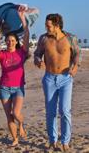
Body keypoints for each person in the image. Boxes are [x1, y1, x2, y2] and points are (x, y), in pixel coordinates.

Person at [34, 13, 79, 151]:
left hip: (66, 79)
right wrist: (37, 61)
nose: (46, 28)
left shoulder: (70, 38)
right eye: (46, 25)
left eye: (48, 25)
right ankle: (53, 140)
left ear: (57, 25)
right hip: (49, 78)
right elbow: (37, 54)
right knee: (51, 112)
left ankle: (65, 141)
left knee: (65, 111)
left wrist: (75, 66)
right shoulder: (43, 39)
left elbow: (77, 54)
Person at [0, 5, 29, 146]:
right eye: (8, 41)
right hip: (4, 88)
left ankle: (21, 124)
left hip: (18, 87)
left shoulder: (21, 52)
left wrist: (22, 19)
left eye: (13, 40)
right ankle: (15, 138)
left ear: (16, 42)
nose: (10, 42)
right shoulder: (3, 53)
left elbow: (26, 35)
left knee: (16, 113)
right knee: (9, 116)